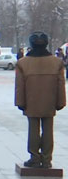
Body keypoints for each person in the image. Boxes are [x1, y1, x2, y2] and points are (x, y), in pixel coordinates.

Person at [15, 32, 65, 169]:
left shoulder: (22, 63)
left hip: (31, 102)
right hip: (50, 101)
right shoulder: (57, 62)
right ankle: (47, 159)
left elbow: (19, 86)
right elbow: (61, 84)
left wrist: (20, 102)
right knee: (48, 130)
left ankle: (35, 158)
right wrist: (61, 102)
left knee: (33, 129)